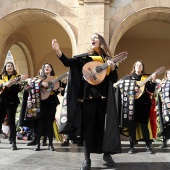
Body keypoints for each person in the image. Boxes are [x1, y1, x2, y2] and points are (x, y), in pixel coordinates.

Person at [52, 33, 121, 170]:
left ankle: (106, 154)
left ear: (101, 42)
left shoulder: (107, 59)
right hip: (88, 99)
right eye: (91, 38)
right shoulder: (85, 58)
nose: (92, 39)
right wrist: (58, 51)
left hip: (103, 100)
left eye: (96, 37)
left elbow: (113, 79)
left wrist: (112, 68)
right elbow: (69, 63)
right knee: (88, 128)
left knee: (104, 127)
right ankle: (86, 160)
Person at [117, 60, 157, 154]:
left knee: (144, 125)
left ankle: (148, 146)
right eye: (137, 65)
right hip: (132, 104)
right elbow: (123, 88)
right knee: (132, 126)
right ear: (134, 67)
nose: (139, 67)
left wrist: (153, 81)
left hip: (144, 104)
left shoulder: (146, 77)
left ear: (142, 68)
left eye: (140, 65)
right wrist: (132, 88)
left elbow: (151, 90)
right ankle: (131, 147)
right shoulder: (129, 77)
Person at [20, 63, 60, 151]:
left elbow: (57, 90)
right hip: (39, 102)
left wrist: (58, 87)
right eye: (45, 66)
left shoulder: (55, 78)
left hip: (51, 102)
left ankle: (50, 144)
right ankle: (37, 144)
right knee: (39, 122)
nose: (47, 68)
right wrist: (42, 82)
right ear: (42, 69)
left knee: (50, 122)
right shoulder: (38, 78)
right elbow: (30, 82)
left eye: (48, 66)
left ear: (51, 69)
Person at [0, 62, 23, 150]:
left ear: (13, 68)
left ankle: (13, 142)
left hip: (12, 101)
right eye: (8, 66)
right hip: (1, 101)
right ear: (5, 67)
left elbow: (19, 90)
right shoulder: (1, 76)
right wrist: (4, 85)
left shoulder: (17, 77)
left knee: (12, 122)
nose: (9, 67)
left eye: (11, 66)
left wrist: (11, 86)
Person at [156, 69, 170, 148]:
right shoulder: (163, 83)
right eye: (168, 73)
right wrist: (158, 85)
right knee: (165, 124)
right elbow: (158, 93)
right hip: (165, 108)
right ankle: (164, 141)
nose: (169, 75)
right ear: (166, 75)